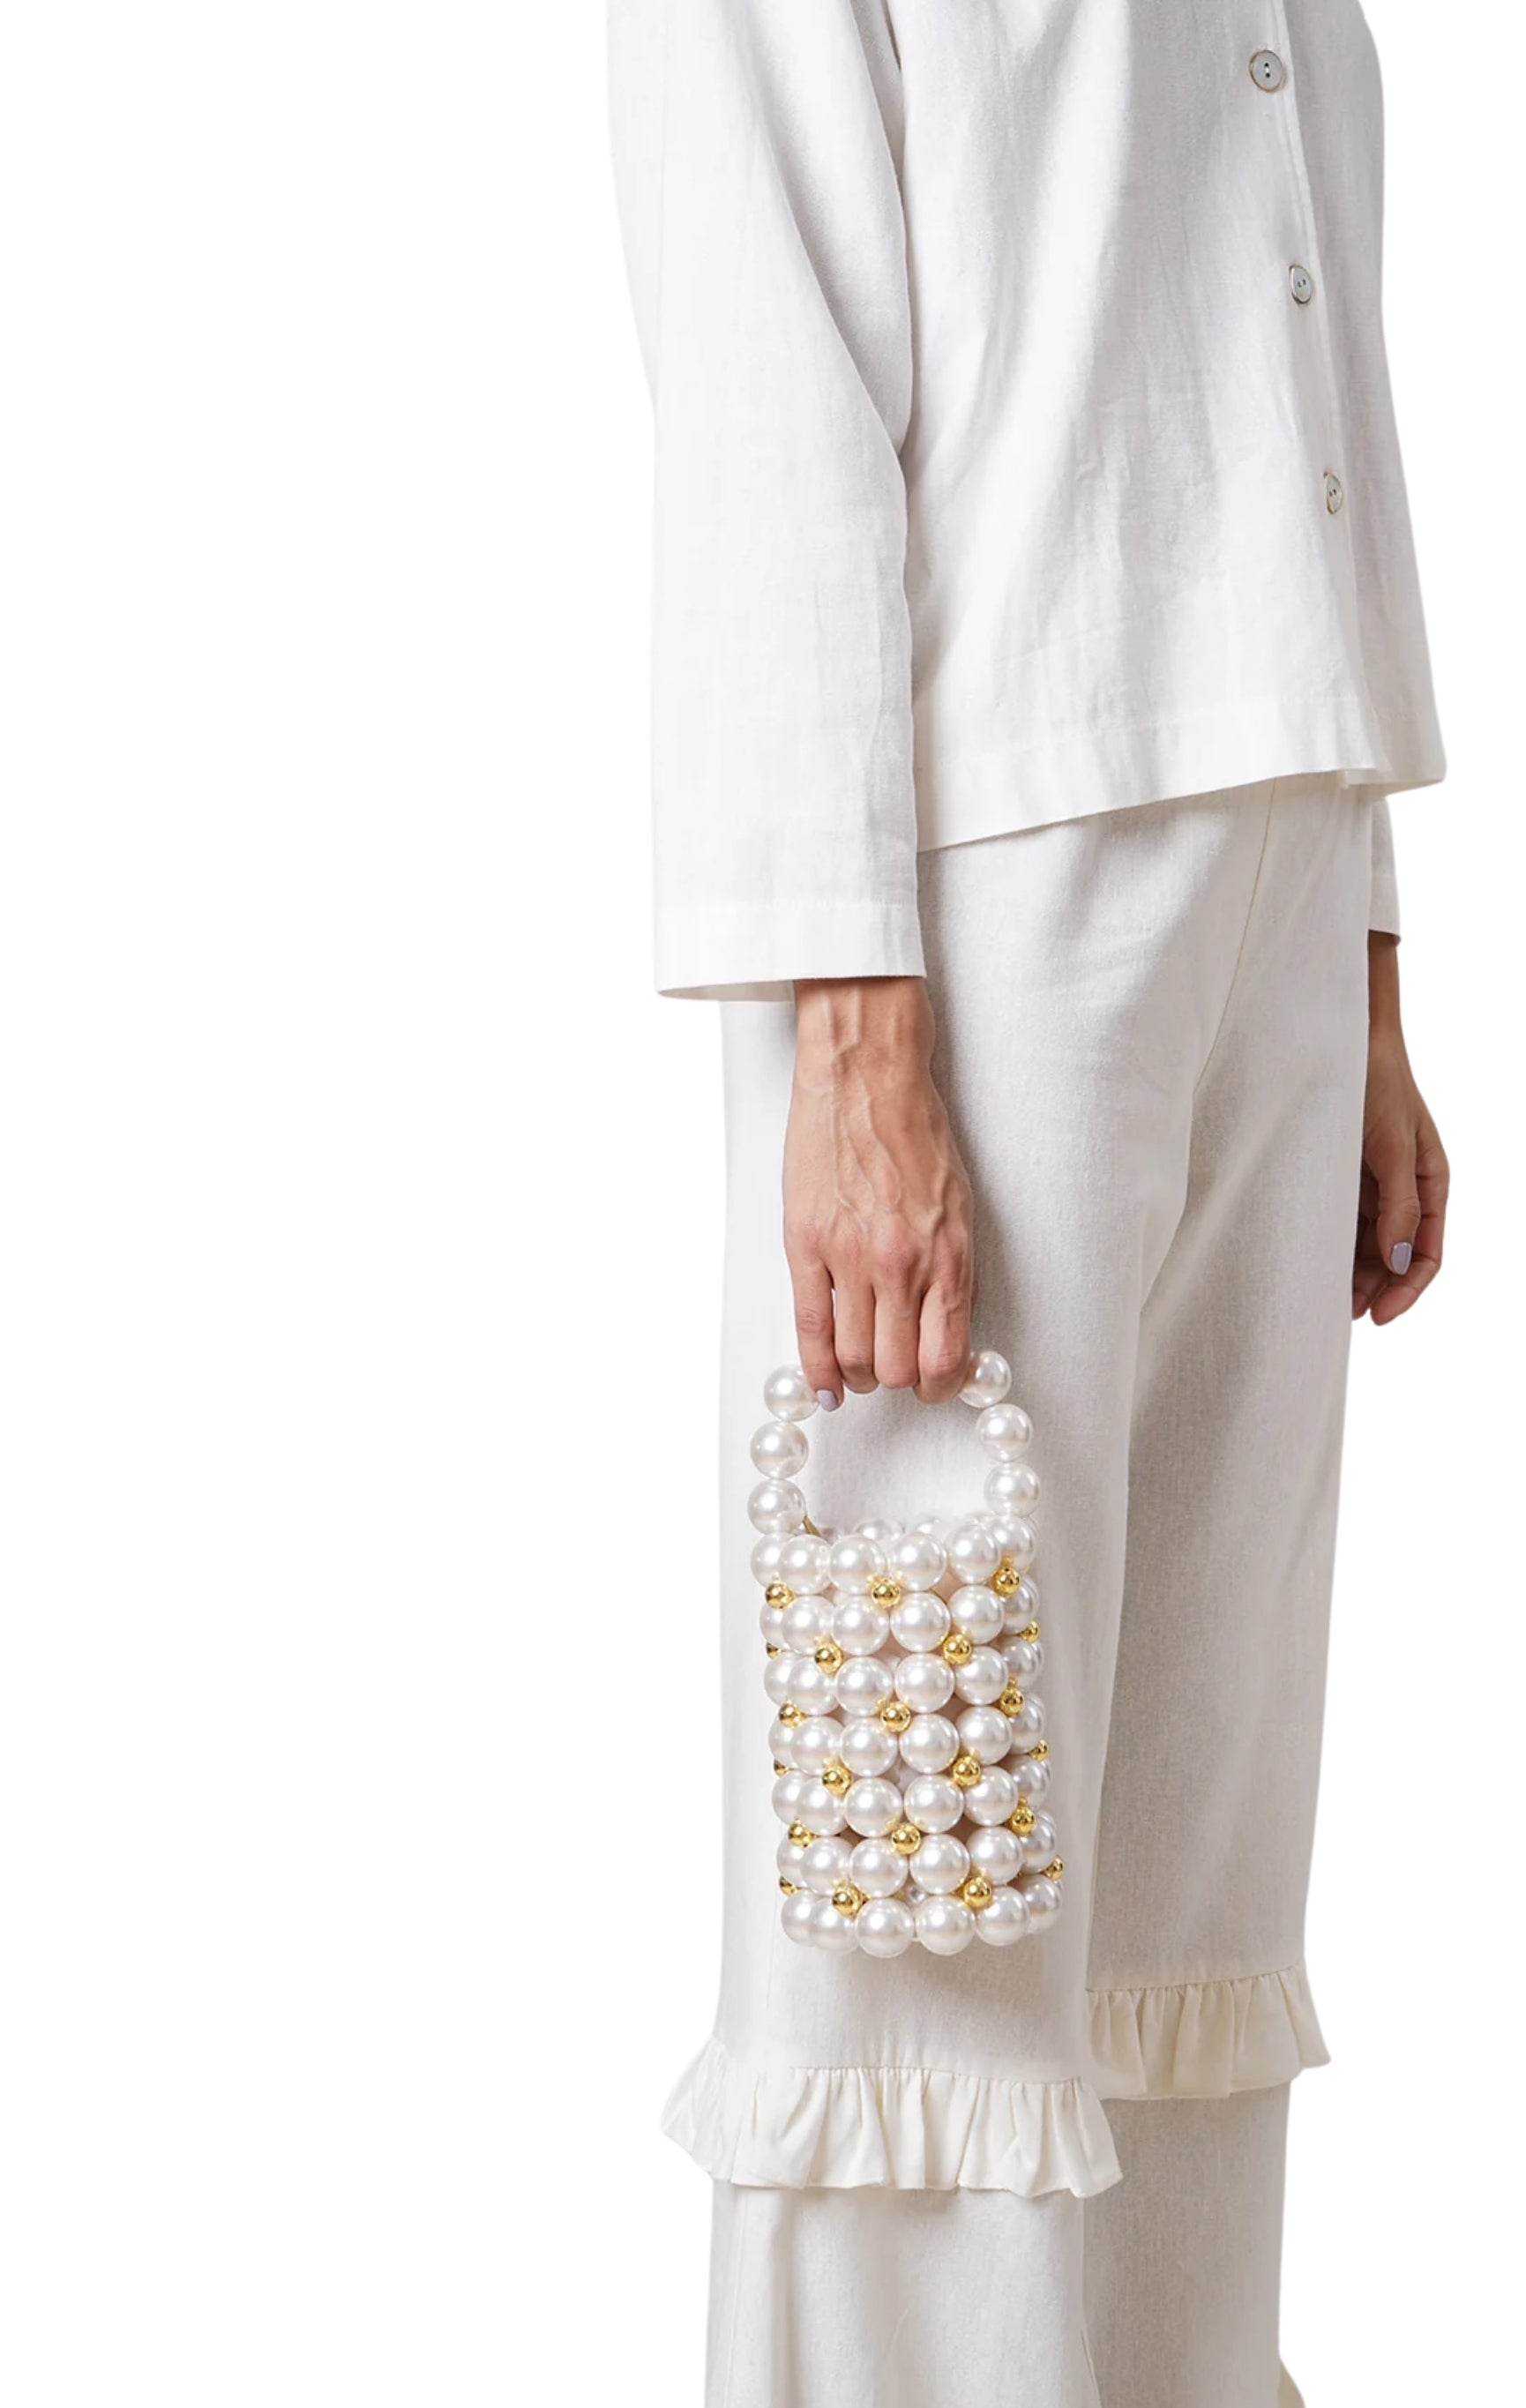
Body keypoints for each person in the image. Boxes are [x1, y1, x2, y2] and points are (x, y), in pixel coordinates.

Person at [609, 3, 1448, 2399]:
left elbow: (1297, 295)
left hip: (1274, 841)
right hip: (983, 889)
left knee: (1192, 1846)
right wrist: (852, 1034)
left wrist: (1368, 954)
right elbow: (765, 369)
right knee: (925, 1871)